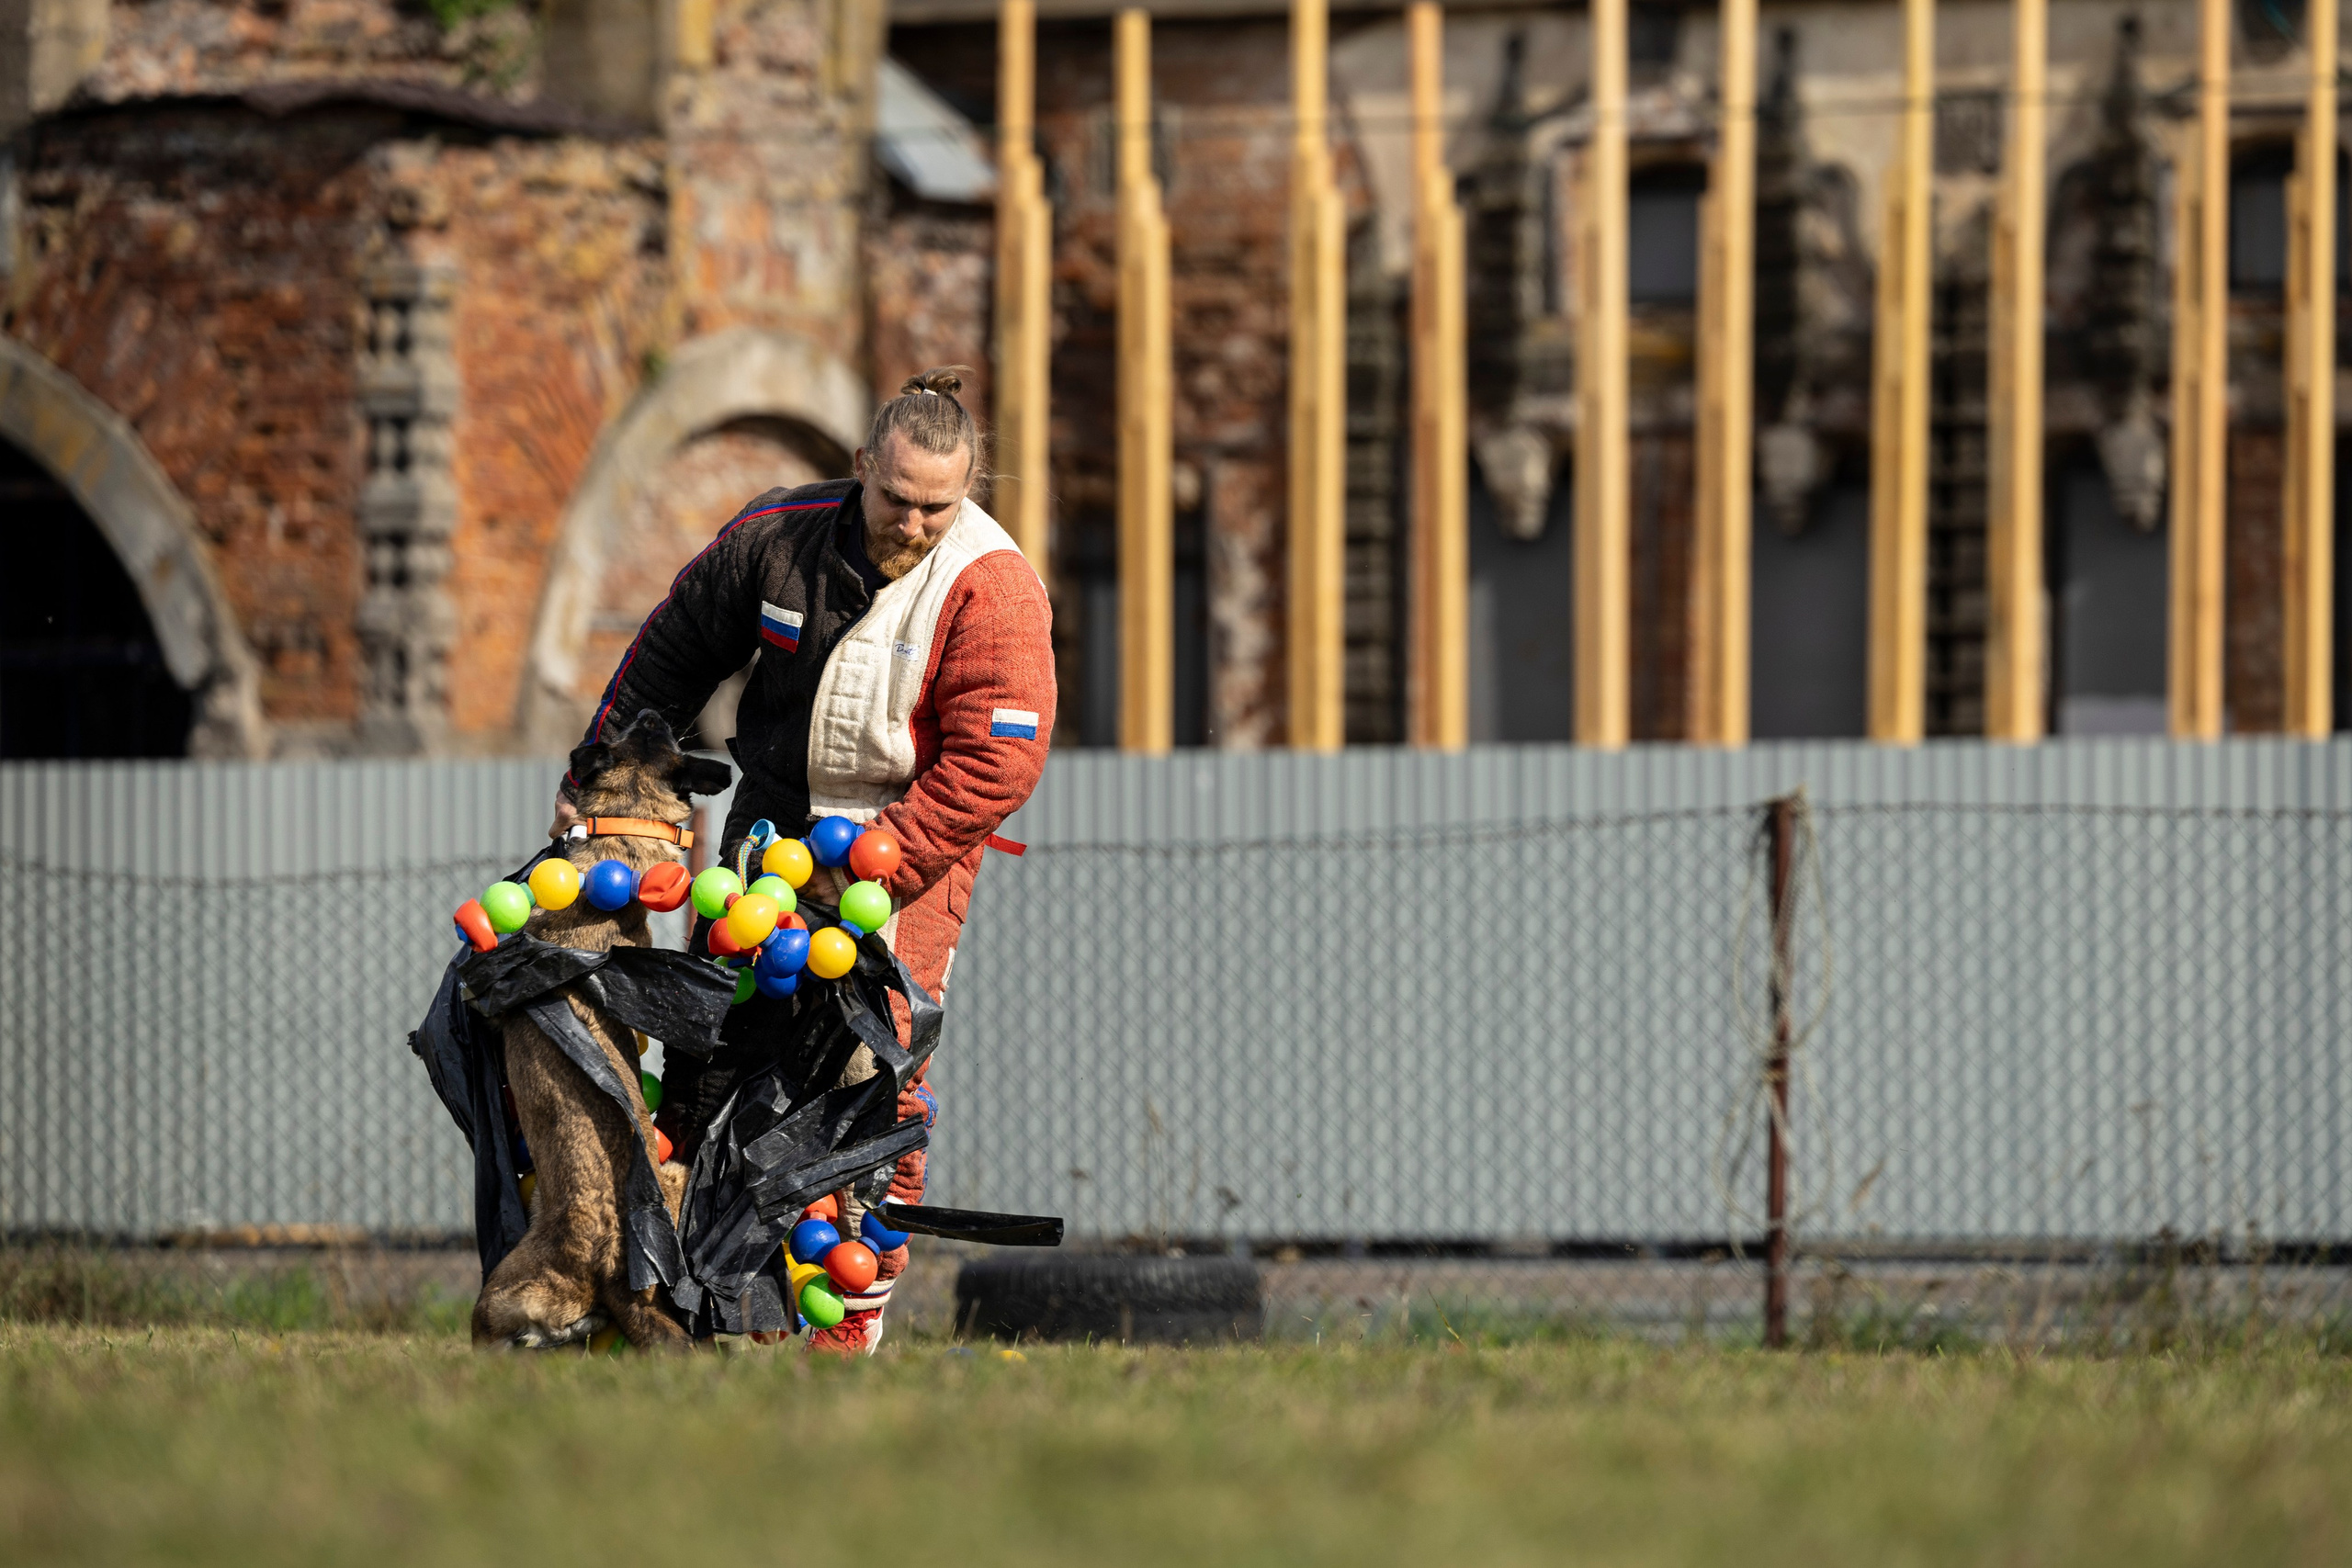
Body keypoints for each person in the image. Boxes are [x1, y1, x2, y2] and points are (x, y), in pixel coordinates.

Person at [552, 367, 1056, 1352]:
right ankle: (698, 1301)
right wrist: (597, 766)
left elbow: (1000, 758)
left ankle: (848, 1320)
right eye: (895, 499)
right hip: (770, 823)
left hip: (907, 838)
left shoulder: (992, 588)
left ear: (968, 493)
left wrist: (885, 858)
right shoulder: (775, 536)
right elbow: (671, 650)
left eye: (936, 508)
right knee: (713, 1048)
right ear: (862, 467)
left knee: (874, 1075)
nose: (911, 525)